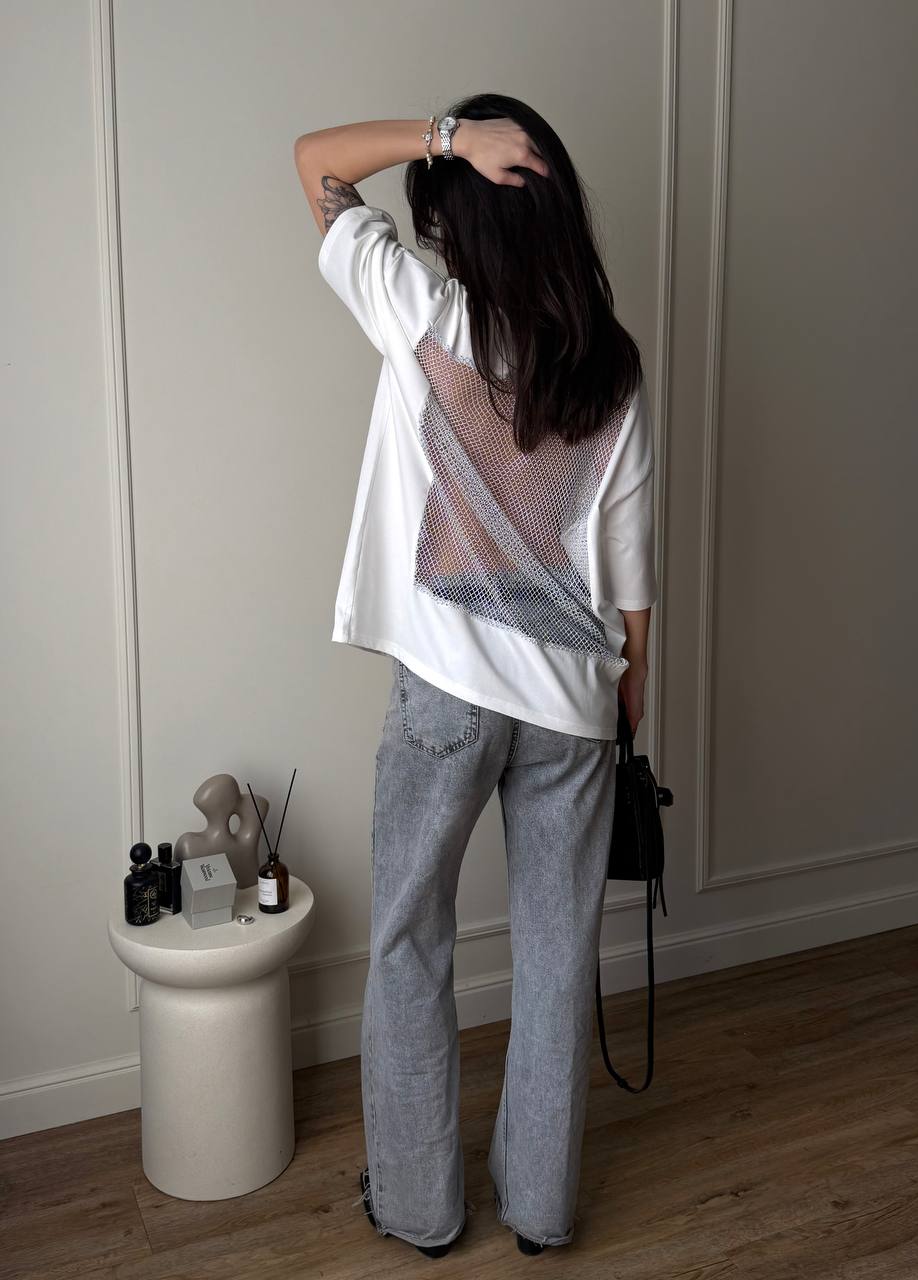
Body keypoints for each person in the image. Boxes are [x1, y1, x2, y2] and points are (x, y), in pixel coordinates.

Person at [294, 93, 657, 1259]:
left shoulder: (424, 311)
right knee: (554, 961)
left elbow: (314, 164)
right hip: (574, 703)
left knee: (409, 937)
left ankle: (417, 1205)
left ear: (463, 223)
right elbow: (629, 570)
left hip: (447, 694)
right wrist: (626, 698)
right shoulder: (610, 367)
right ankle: (540, 1209)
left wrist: (445, 138)